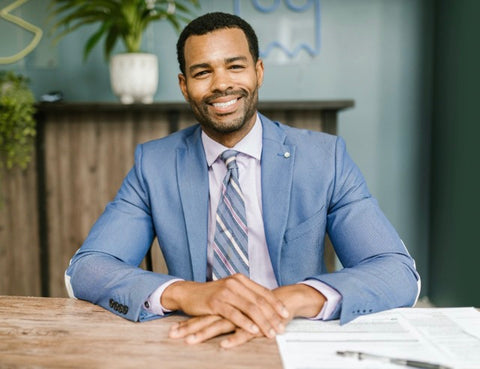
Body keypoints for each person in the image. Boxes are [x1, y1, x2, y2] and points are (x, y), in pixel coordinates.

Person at [65, 12, 420, 348]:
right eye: (202, 72)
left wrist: (289, 299)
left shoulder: (325, 158)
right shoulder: (154, 164)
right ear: (184, 86)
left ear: (259, 71)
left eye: (235, 66)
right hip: (195, 337)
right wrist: (190, 293)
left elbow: (397, 273)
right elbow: (86, 269)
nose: (222, 84)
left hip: (296, 335)